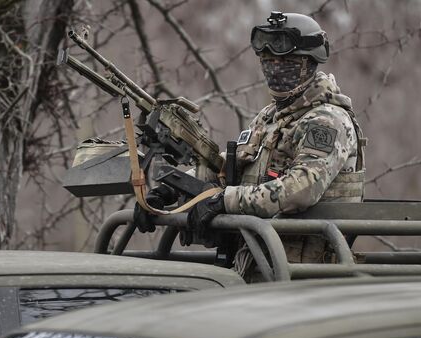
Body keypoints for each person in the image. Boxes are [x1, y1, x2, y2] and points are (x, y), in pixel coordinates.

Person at [134, 11, 366, 275]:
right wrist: (171, 188)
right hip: (261, 262)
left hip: (306, 273)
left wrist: (226, 201)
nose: (273, 68)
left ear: (309, 63)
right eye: (267, 61)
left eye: (284, 62)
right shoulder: (270, 117)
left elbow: (301, 188)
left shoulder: (326, 120)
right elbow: (229, 168)